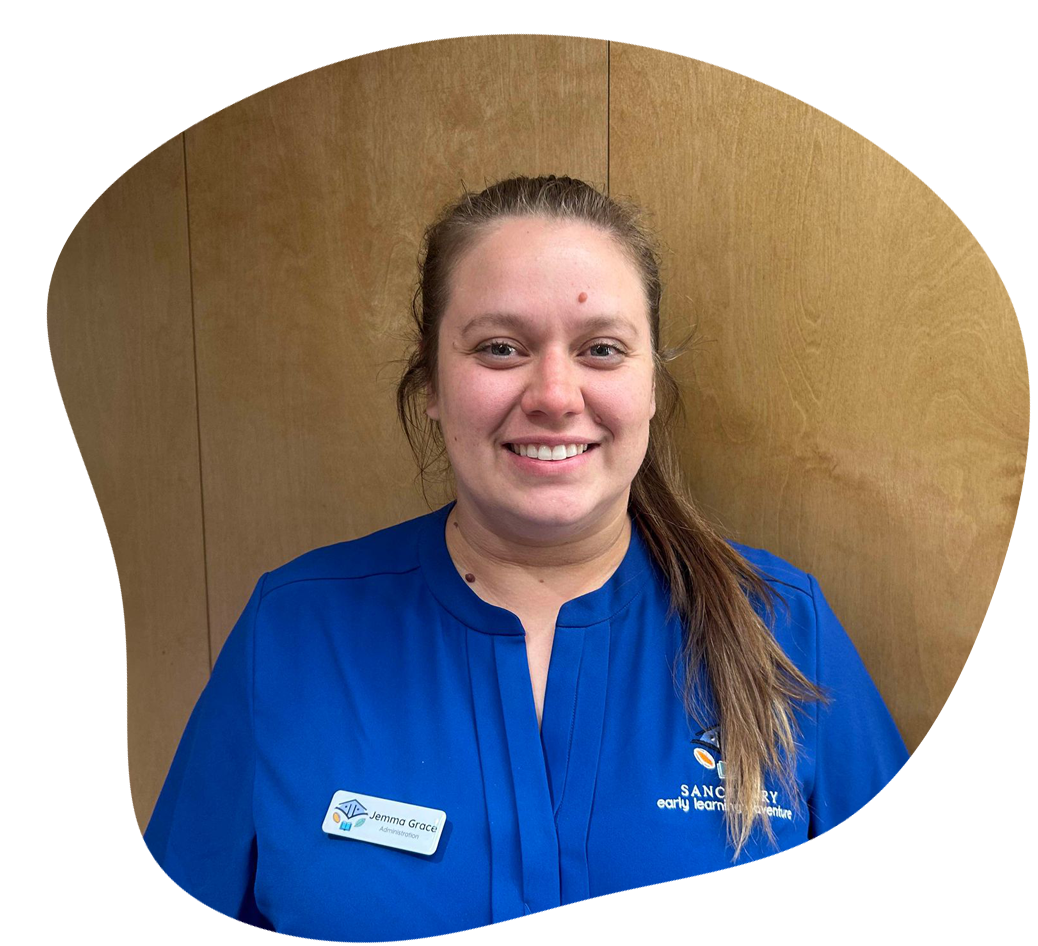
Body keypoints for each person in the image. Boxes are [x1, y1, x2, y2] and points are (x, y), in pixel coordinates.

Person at [142, 174, 929, 937]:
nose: (555, 394)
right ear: (431, 385)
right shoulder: (296, 632)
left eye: (602, 350)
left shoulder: (786, 630)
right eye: (500, 347)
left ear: (651, 385)